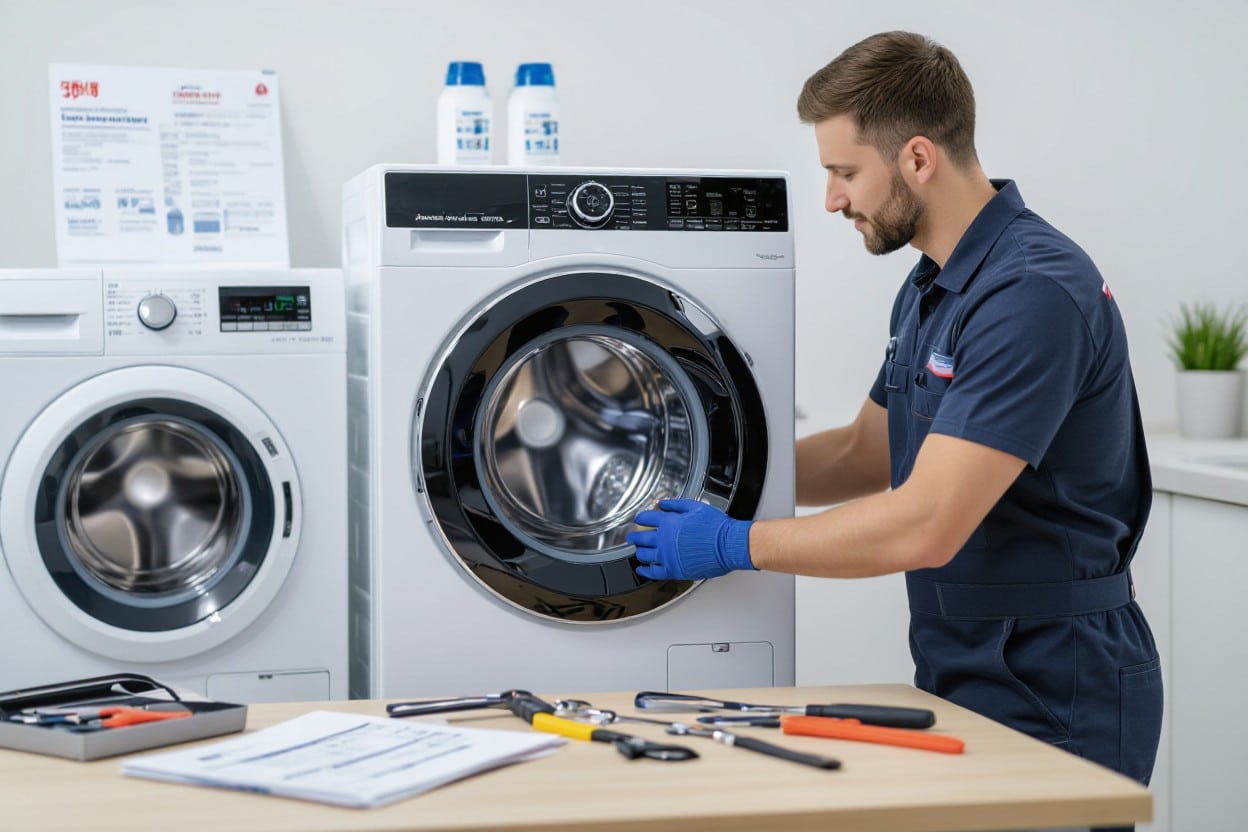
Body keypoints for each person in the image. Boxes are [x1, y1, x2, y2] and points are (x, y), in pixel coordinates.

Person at [628, 29, 1163, 799]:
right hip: (962, 666)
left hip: (1057, 678)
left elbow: (926, 522)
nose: (831, 198)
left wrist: (733, 542)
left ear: (917, 158)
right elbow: (864, 452)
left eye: (845, 171)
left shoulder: (1033, 292)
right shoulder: (930, 285)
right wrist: (696, 463)